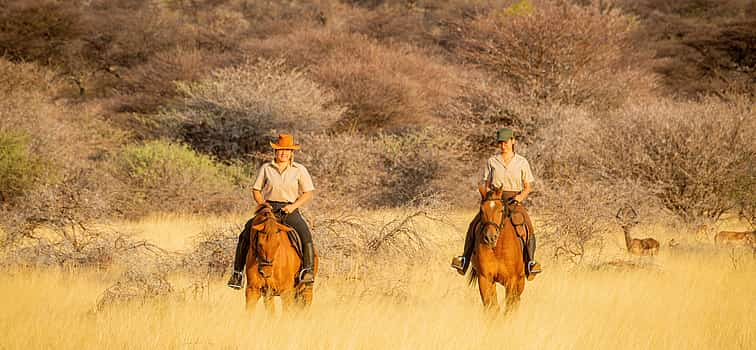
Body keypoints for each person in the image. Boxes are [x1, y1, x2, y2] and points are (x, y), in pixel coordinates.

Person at [450, 127, 542, 280]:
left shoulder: (522, 162)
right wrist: (488, 197)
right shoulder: (492, 161)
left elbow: (528, 187)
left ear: (513, 141)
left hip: (513, 199)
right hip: (494, 199)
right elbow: (486, 183)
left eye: (505, 142)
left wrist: (519, 198)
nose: (502, 145)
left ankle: (530, 263)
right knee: (474, 224)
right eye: (500, 143)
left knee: (526, 224)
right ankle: (464, 260)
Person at [227, 134, 316, 289]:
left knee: (305, 234)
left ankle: (307, 271)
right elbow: (256, 190)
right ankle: (237, 274)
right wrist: (263, 205)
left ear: (291, 152)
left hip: (289, 209)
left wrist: (293, 206)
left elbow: (308, 193)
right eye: (280, 150)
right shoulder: (266, 168)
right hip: (268, 209)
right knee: (246, 233)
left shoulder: (299, 169)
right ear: (275, 151)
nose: (283, 153)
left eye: (287, 150)